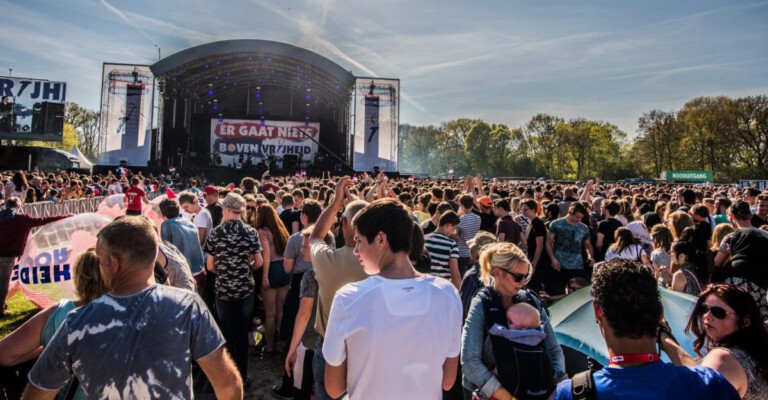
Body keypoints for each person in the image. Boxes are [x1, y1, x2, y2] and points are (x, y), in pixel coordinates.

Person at [22, 216, 243, 399]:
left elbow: (36, 394)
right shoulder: (187, 306)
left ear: (114, 262)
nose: (99, 267)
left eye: (99, 259)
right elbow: (229, 384)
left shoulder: (76, 321)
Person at [323, 198, 463, 399]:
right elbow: (448, 381)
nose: (355, 251)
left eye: (359, 241)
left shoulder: (349, 298)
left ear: (381, 239)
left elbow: (334, 387)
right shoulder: (448, 294)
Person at [553, 259, 739, 400]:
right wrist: (667, 340)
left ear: (597, 311)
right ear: (660, 313)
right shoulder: (710, 385)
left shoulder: (571, 393)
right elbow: (701, 380)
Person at [462, 242, 565, 400]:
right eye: (518, 277)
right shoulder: (483, 303)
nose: (523, 282)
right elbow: (470, 361)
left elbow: (554, 350)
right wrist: (507, 398)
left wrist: (553, 388)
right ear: (497, 272)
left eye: (526, 276)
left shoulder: (532, 302)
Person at [0, 249, 107, 400]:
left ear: (78, 277)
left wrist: (48, 349)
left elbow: (4, 354)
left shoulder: (61, 312)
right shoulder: (141, 314)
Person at [308, 177, 368, 400]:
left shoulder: (328, 260)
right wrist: (360, 207)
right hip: (369, 350)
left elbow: (315, 236)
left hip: (329, 350)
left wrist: (336, 202)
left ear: (343, 224)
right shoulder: (384, 265)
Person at [661, 284, 768, 399]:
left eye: (718, 312)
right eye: (704, 309)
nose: (707, 316)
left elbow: (698, 386)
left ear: (745, 321)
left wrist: (665, 337)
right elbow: (698, 373)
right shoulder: (749, 353)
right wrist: (668, 339)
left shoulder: (725, 358)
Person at [204, 193, 264, 383]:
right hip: (245, 289)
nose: (221, 211)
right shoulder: (250, 232)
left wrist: (225, 273)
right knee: (242, 334)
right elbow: (259, 261)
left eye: (223, 208)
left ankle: (228, 378)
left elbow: (210, 265)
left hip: (223, 290)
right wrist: (246, 269)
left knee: (227, 334)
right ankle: (243, 376)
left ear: (228, 210)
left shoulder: (216, 233)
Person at [0, 198, 71, 317]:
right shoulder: (22, 219)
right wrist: (66, 216)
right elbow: (43, 220)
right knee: (2, 284)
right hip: (8, 256)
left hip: (7, 254)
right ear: (19, 206)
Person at [254, 203, 291, 356]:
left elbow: (266, 255)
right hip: (284, 268)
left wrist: (264, 276)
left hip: (272, 269)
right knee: (281, 310)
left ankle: (270, 347)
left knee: (270, 313)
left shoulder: (262, 232)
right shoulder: (280, 230)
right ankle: (282, 342)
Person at [545, 202, 594, 295]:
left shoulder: (583, 228)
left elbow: (588, 245)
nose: (579, 220)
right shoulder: (556, 224)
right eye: (577, 217)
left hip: (577, 266)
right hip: (559, 265)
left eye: (581, 217)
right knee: (557, 293)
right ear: (570, 213)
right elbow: (548, 242)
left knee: (577, 295)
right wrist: (552, 258)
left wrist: (590, 256)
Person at [159, 199, 205, 291]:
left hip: (185, 275)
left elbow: (167, 252)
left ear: (162, 213)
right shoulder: (189, 223)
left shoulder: (166, 225)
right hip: (200, 271)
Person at [424, 210, 462, 289]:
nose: (454, 232)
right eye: (454, 228)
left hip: (424, 286)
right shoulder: (451, 244)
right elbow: (455, 275)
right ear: (448, 226)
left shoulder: (423, 239)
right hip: (441, 288)